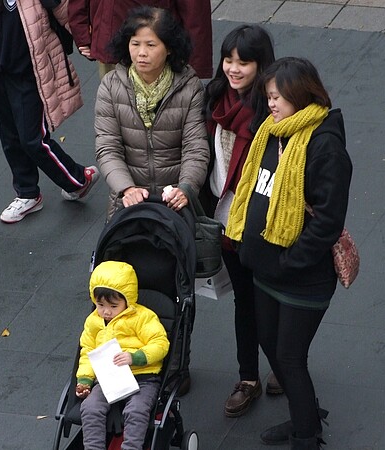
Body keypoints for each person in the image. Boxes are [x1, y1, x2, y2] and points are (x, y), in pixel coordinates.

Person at [226, 57, 353, 449]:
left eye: (278, 97)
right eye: (268, 97)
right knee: (268, 342)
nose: (271, 105)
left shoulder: (325, 147)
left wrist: (289, 261)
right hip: (266, 270)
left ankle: (306, 436)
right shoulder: (271, 133)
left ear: (301, 95)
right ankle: (306, 414)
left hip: (303, 277)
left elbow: (327, 223)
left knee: (290, 357)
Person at [199, 24, 281, 419]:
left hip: (260, 223)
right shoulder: (213, 100)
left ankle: (284, 366)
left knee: (271, 297)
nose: (233, 68)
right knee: (245, 301)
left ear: (260, 65)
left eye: (243, 62)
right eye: (228, 59)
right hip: (223, 218)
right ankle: (248, 377)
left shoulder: (272, 111)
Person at [0, 0, 99, 224]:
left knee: (34, 140)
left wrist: (90, 42)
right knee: (11, 139)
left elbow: (70, 15)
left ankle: (78, 179)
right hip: (0, 76)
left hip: (31, 78)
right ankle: (27, 193)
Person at [94, 6, 209, 220]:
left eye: (151, 45)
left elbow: (196, 146)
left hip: (176, 202)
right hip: (129, 202)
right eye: (135, 44)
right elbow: (107, 147)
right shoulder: (111, 86)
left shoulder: (189, 87)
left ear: (169, 48)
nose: (141, 53)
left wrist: (185, 188)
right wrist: (127, 189)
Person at [76, 260, 170, 450]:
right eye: (100, 304)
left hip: (143, 378)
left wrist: (135, 357)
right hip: (108, 378)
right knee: (90, 407)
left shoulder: (143, 317)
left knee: (136, 410)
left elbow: (160, 343)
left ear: (127, 300)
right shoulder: (94, 321)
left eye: (113, 306)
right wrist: (85, 379)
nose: (105, 311)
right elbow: (87, 351)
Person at [68, 0, 212, 80]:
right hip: (110, 44)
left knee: (164, 119)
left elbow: (195, 11)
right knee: (113, 114)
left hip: (156, 47)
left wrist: (195, 66)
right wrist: (82, 34)